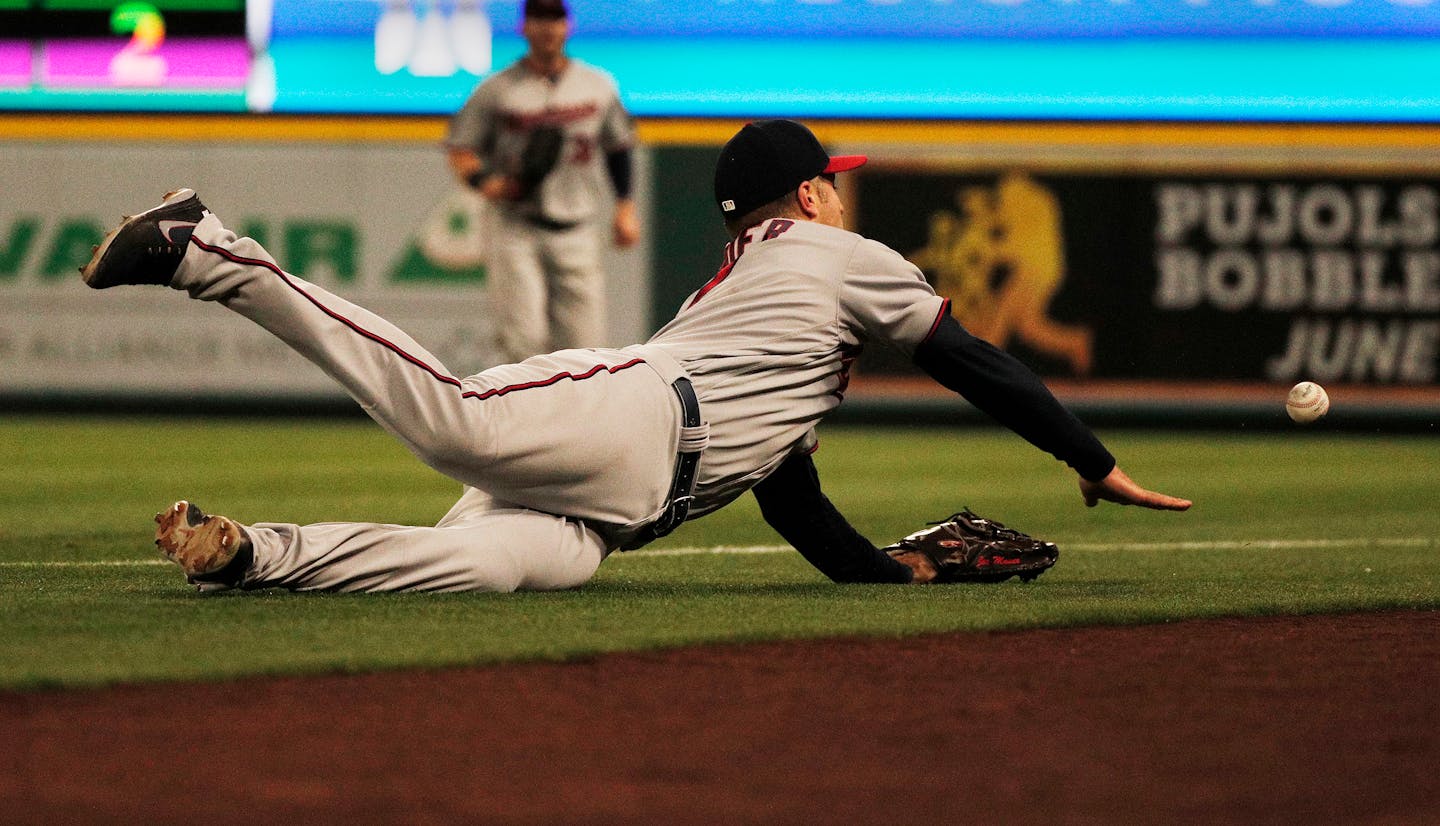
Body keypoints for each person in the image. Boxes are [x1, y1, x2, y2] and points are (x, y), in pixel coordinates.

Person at [80, 119, 1190, 594]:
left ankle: (254, 555)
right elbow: (972, 359)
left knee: (487, 568)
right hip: (637, 414)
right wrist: (1088, 458)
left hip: (620, 506)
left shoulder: (781, 315)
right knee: (452, 420)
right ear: (807, 193)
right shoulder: (830, 251)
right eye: (831, 177)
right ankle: (208, 249)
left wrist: (895, 570)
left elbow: (790, 499)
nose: (839, 190)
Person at [444, 0, 639, 364]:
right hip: (515, 225)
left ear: (568, 26)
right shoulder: (496, 89)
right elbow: (460, 147)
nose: (548, 27)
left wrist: (625, 207)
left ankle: (577, 421)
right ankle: (525, 420)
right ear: (524, 27)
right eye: (539, 18)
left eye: (555, 18)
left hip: (577, 225)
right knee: (524, 341)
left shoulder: (597, 85)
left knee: (586, 348)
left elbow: (618, 148)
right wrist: (487, 183)